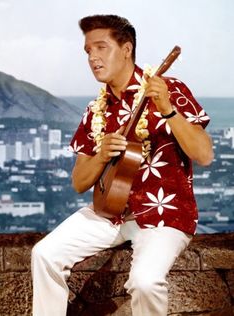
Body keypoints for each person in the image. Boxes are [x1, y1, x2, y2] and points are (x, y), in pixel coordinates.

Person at [31, 14, 214, 316]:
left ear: (127, 49)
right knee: (44, 254)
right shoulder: (95, 110)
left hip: (163, 215)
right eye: (88, 51)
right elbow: (79, 182)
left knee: (145, 281)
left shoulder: (169, 89)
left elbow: (204, 154)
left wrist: (167, 109)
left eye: (101, 47)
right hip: (109, 213)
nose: (93, 58)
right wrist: (101, 156)